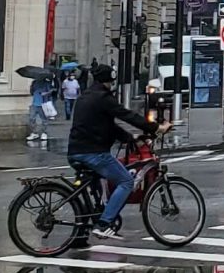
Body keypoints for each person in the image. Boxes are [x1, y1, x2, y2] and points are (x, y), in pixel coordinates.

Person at [66, 78, 157, 240]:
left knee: (94, 193)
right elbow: (127, 115)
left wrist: (131, 138)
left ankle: (79, 236)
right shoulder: (103, 98)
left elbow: (108, 126)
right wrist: (154, 127)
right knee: (126, 181)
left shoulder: (85, 97)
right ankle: (104, 224)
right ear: (109, 81)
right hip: (94, 153)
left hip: (75, 151)